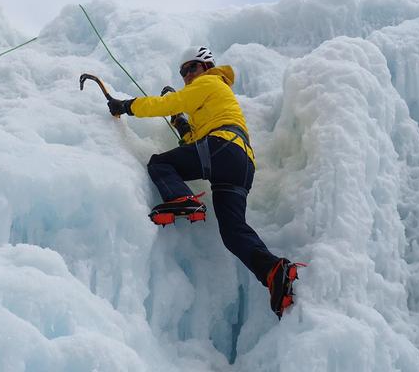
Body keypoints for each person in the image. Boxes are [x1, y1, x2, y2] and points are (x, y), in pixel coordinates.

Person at [106, 46, 301, 318]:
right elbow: (195, 142)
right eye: (183, 72)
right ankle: (273, 271)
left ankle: (180, 199)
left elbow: (168, 104)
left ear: (206, 67)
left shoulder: (209, 81)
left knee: (160, 163)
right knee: (233, 232)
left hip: (223, 147)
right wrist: (182, 125)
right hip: (240, 163)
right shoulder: (215, 95)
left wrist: (126, 106)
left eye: (191, 68)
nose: (187, 75)